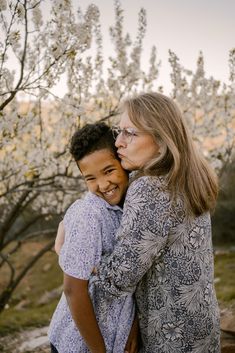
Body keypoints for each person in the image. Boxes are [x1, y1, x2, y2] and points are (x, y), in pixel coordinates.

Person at [92, 92, 221, 352]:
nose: (118, 142)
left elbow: (119, 278)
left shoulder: (150, 189)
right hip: (202, 330)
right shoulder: (189, 180)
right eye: (119, 131)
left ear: (162, 141)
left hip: (169, 339)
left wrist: (80, 259)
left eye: (130, 133)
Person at [48, 122, 138, 353]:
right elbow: (73, 290)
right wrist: (100, 351)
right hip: (79, 345)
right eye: (90, 178)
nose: (103, 184)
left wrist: (133, 324)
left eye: (109, 171)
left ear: (123, 162)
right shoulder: (89, 214)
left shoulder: (131, 207)